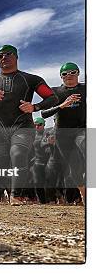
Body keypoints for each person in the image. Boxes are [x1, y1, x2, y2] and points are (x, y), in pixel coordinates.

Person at [0, 45, 58, 205]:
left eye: (8, 54)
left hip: (23, 126)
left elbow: (52, 98)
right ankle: (11, 192)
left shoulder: (31, 79)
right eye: (0, 55)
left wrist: (34, 107)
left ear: (16, 57)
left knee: (18, 154)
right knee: (2, 167)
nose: (4, 57)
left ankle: (16, 195)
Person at [41, 62, 86, 205]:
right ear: (61, 77)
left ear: (78, 73)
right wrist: (62, 105)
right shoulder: (55, 92)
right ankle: (83, 194)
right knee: (75, 166)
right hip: (63, 134)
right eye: (65, 74)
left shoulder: (86, 89)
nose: (69, 76)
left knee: (86, 145)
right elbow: (43, 113)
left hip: (82, 129)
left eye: (72, 72)